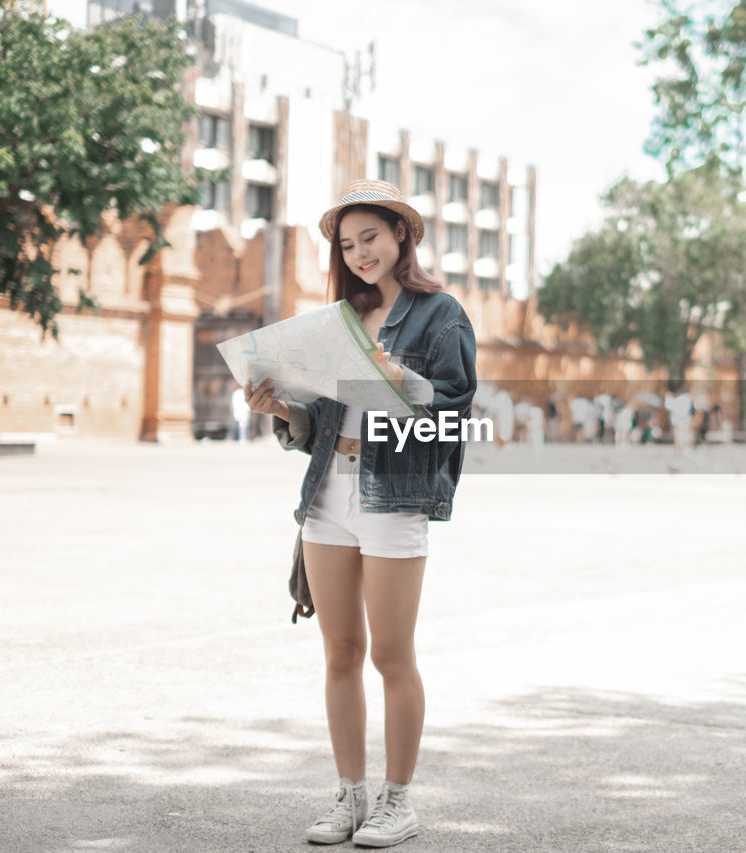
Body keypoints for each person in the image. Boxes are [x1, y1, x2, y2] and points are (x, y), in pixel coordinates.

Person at [244, 180, 477, 849]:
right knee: (339, 652)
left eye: (369, 237)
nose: (358, 254)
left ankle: (397, 800)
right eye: (346, 245)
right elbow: (322, 412)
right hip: (328, 493)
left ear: (402, 234)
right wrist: (284, 409)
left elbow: (453, 415)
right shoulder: (340, 317)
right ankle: (349, 798)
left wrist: (398, 379)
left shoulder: (443, 316)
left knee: (391, 655)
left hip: (393, 496)